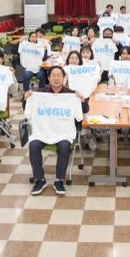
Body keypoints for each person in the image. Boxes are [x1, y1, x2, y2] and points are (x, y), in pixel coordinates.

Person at [24, 66, 86, 196]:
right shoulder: (39, 94)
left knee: (64, 146)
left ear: (64, 78)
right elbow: (27, 112)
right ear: (48, 78)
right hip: (42, 131)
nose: (56, 78)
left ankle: (59, 180)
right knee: (33, 145)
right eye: (53, 75)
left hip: (63, 133)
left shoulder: (71, 94)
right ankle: (39, 179)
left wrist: (82, 100)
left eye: (59, 75)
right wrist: (25, 98)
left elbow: (82, 113)